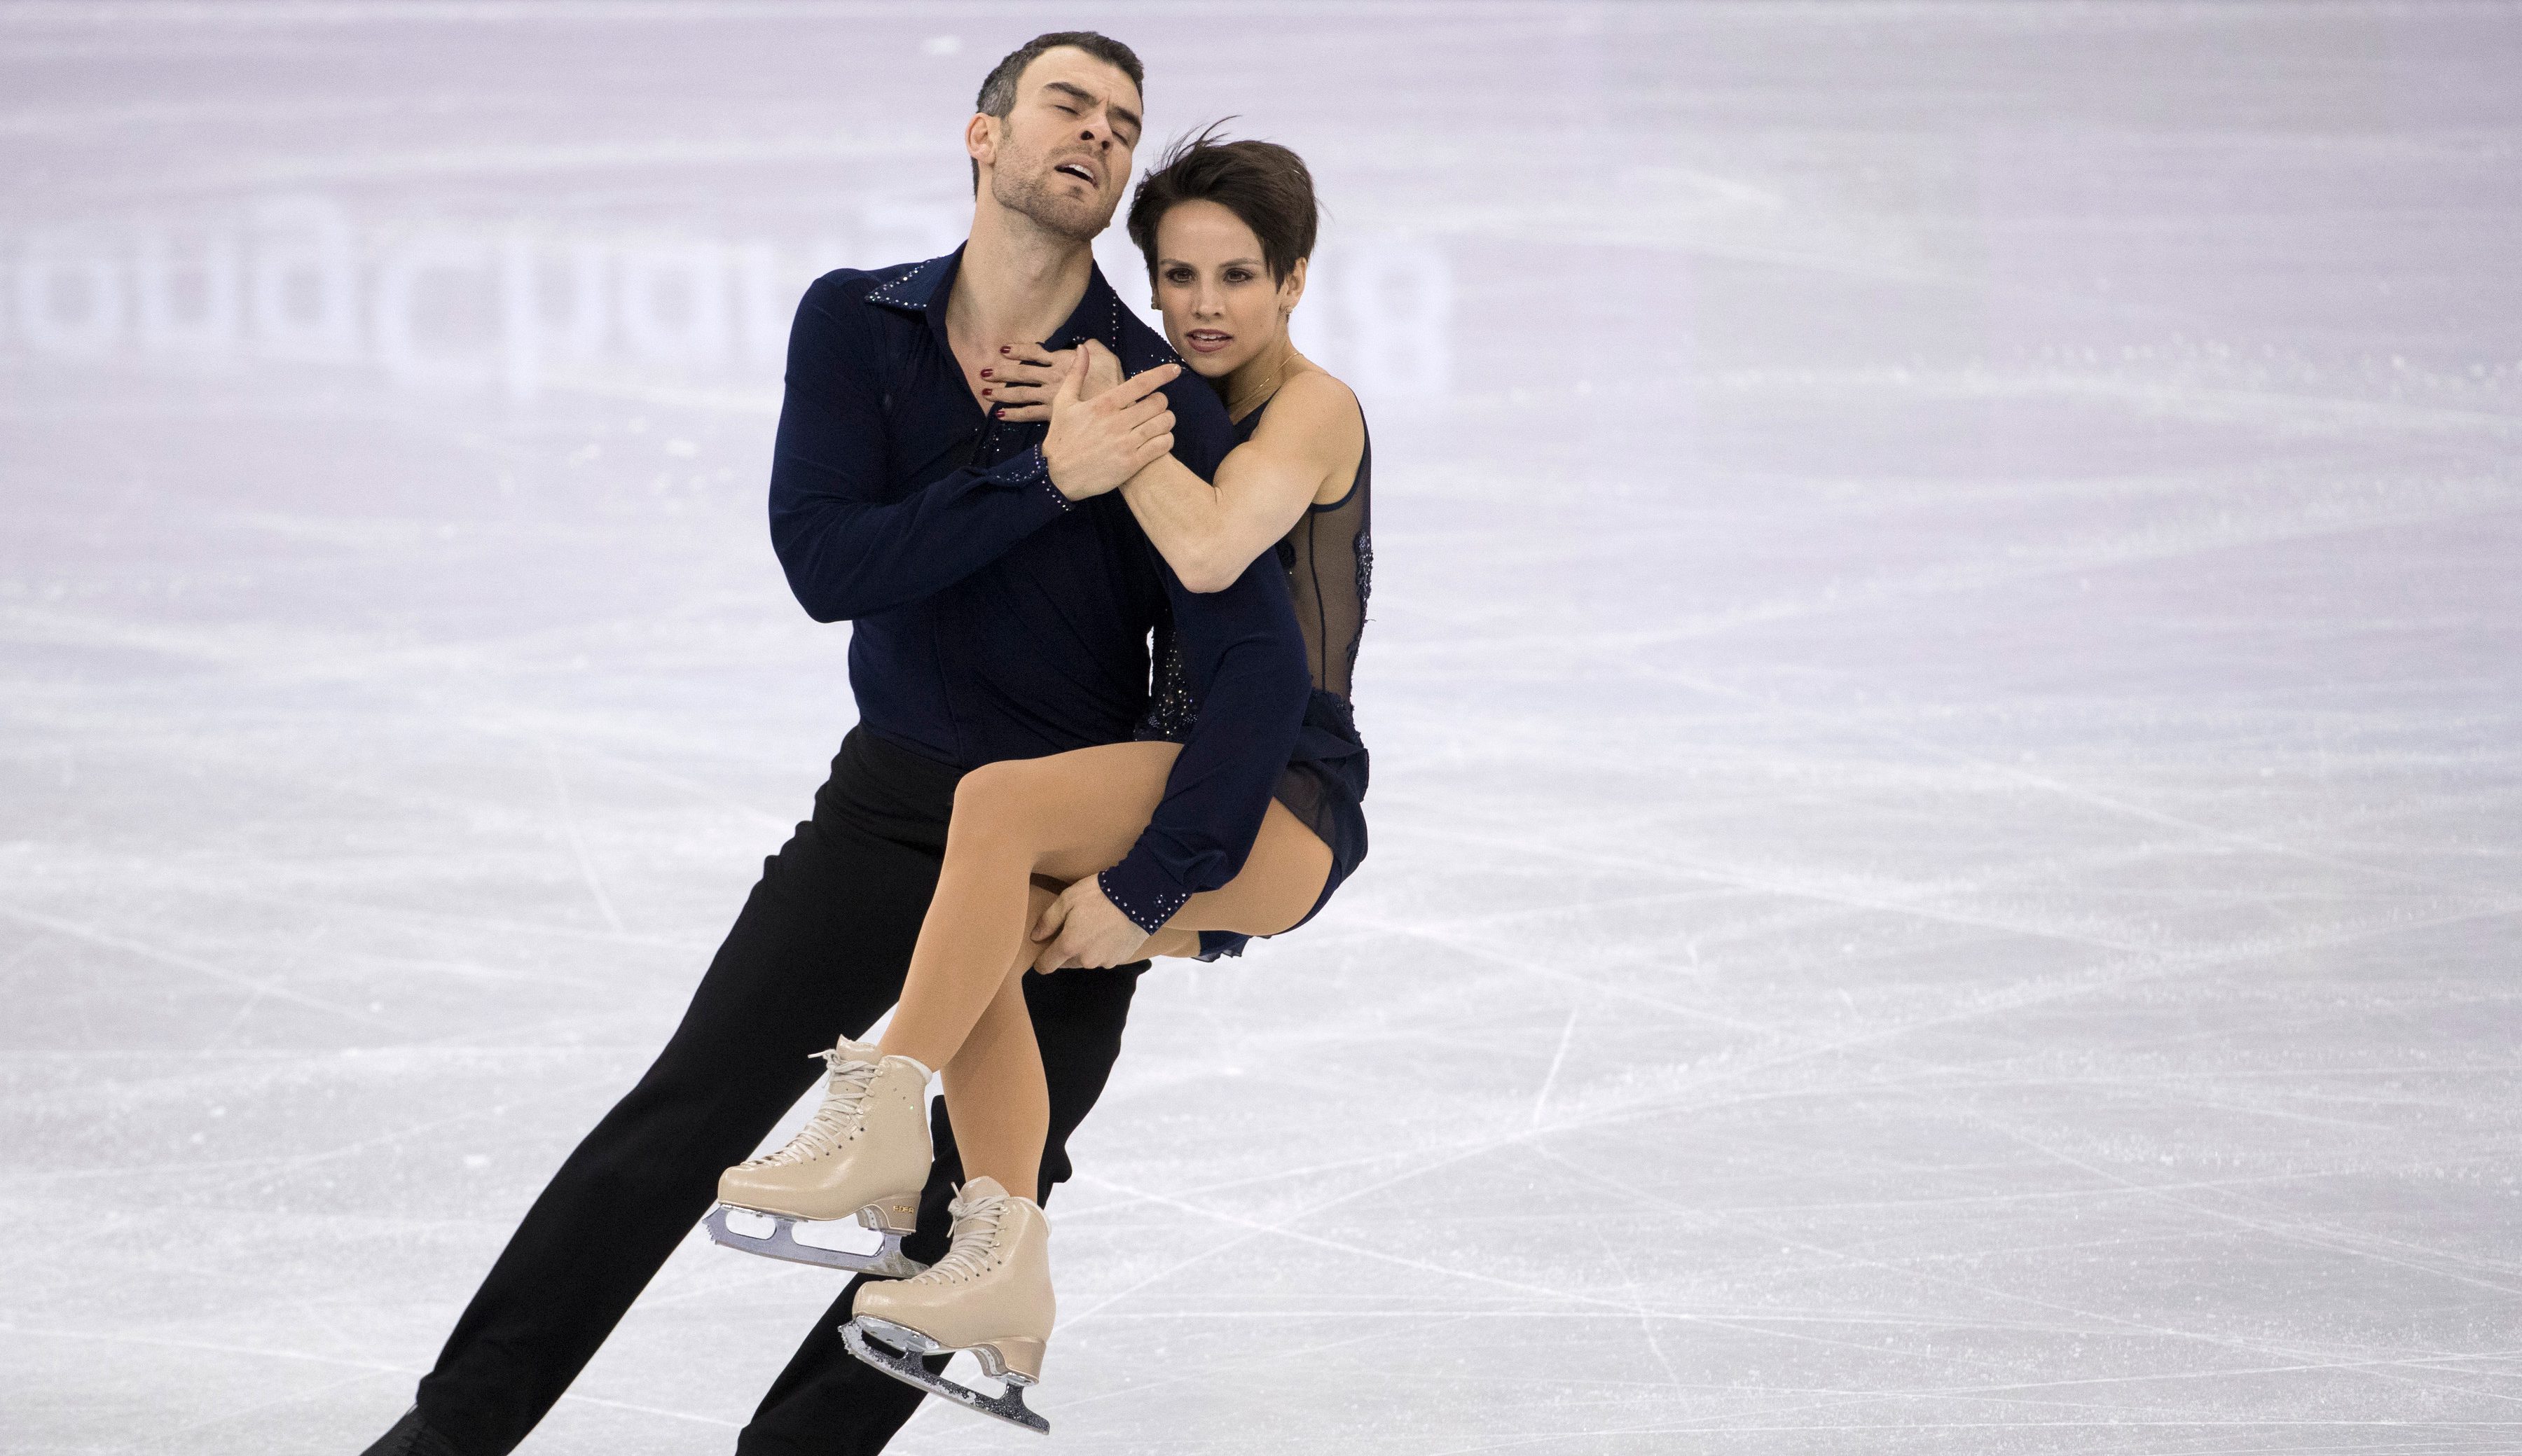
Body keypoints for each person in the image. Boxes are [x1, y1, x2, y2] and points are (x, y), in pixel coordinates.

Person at [359, 34, 1311, 1456]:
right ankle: (445, 1438)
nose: (1100, 136)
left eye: (1124, 125)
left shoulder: (1153, 393)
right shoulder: (856, 324)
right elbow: (826, 562)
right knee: (684, 1119)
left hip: (1053, 853)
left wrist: (1154, 883)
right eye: (1068, 105)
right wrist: (1045, 477)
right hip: (889, 808)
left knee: (973, 1216)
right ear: (983, 135)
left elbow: (1251, 663)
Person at [708, 130, 1372, 1434]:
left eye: (1239, 276)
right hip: (1183, 773)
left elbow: (1216, 549)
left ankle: (883, 1110)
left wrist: (1106, 429)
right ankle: (999, 1261)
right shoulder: (1165, 395)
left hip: (1278, 795)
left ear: (1294, 281)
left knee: (997, 804)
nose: (1204, 307)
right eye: (1177, 277)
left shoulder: (1313, 407)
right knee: (985, 942)